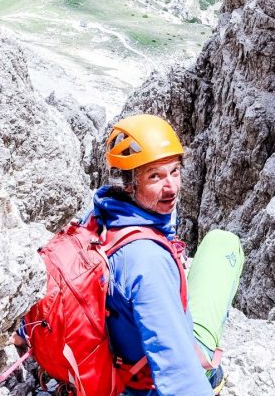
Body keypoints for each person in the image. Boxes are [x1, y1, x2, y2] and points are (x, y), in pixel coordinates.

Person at [94, 114, 244, 395]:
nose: (171, 187)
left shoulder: (97, 217)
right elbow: (177, 374)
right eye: (155, 176)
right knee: (224, 242)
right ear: (127, 183)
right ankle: (211, 374)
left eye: (174, 171)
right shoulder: (147, 262)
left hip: (108, 362)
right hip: (140, 383)